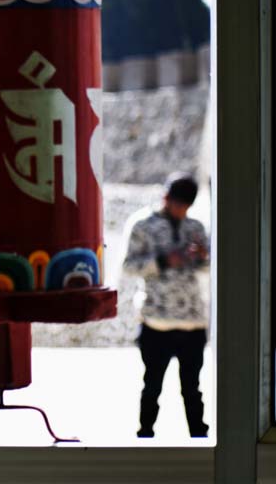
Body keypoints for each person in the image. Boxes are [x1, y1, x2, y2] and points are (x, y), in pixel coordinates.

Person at [123, 172, 210, 438]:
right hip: (155, 321)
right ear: (166, 198)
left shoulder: (195, 227)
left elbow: (208, 268)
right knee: (152, 385)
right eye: (178, 205)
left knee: (192, 388)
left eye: (187, 207)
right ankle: (145, 434)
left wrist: (203, 257)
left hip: (192, 321)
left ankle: (199, 437)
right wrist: (162, 261)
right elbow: (128, 267)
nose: (182, 211)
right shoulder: (142, 225)